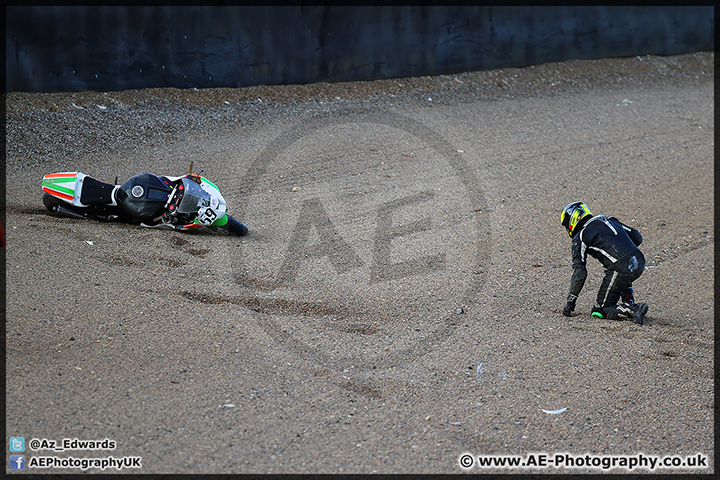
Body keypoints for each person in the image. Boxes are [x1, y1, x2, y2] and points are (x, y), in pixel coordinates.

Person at [560, 202, 649, 325]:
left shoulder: (580, 236)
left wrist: (571, 302)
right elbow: (637, 237)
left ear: (573, 219)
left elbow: (579, 273)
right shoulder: (609, 220)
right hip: (639, 261)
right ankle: (629, 302)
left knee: (600, 309)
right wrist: (625, 251)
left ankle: (634, 309)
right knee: (621, 276)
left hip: (621, 268)